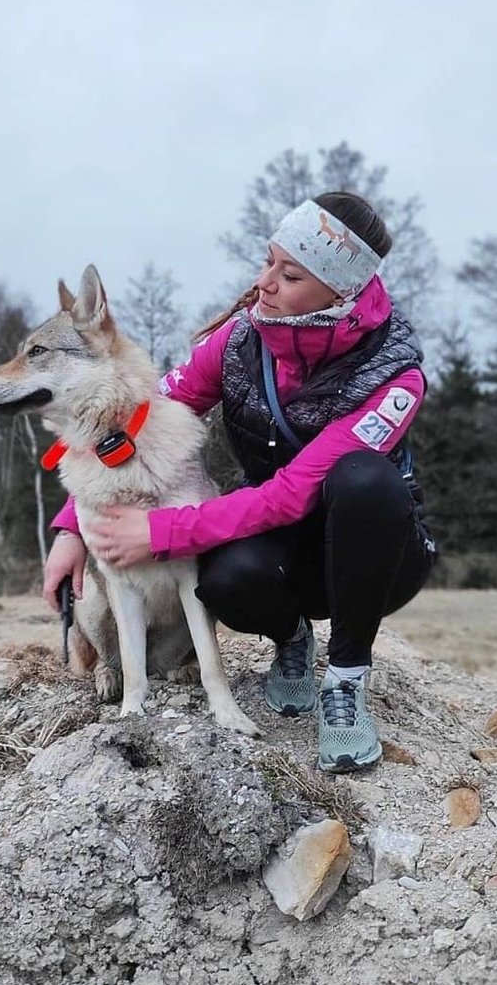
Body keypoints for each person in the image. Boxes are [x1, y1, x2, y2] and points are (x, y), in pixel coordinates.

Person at [42, 191, 436, 772]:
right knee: (223, 579)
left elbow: (294, 491)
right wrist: (75, 526)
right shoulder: (237, 343)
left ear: (342, 290)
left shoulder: (393, 377)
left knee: (365, 481)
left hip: (376, 556)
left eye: (291, 273)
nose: (266, 282)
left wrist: (163, 530)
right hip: (281, 546)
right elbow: (134, 422)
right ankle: (292, 639)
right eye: (269, 260)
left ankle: (346, 681)